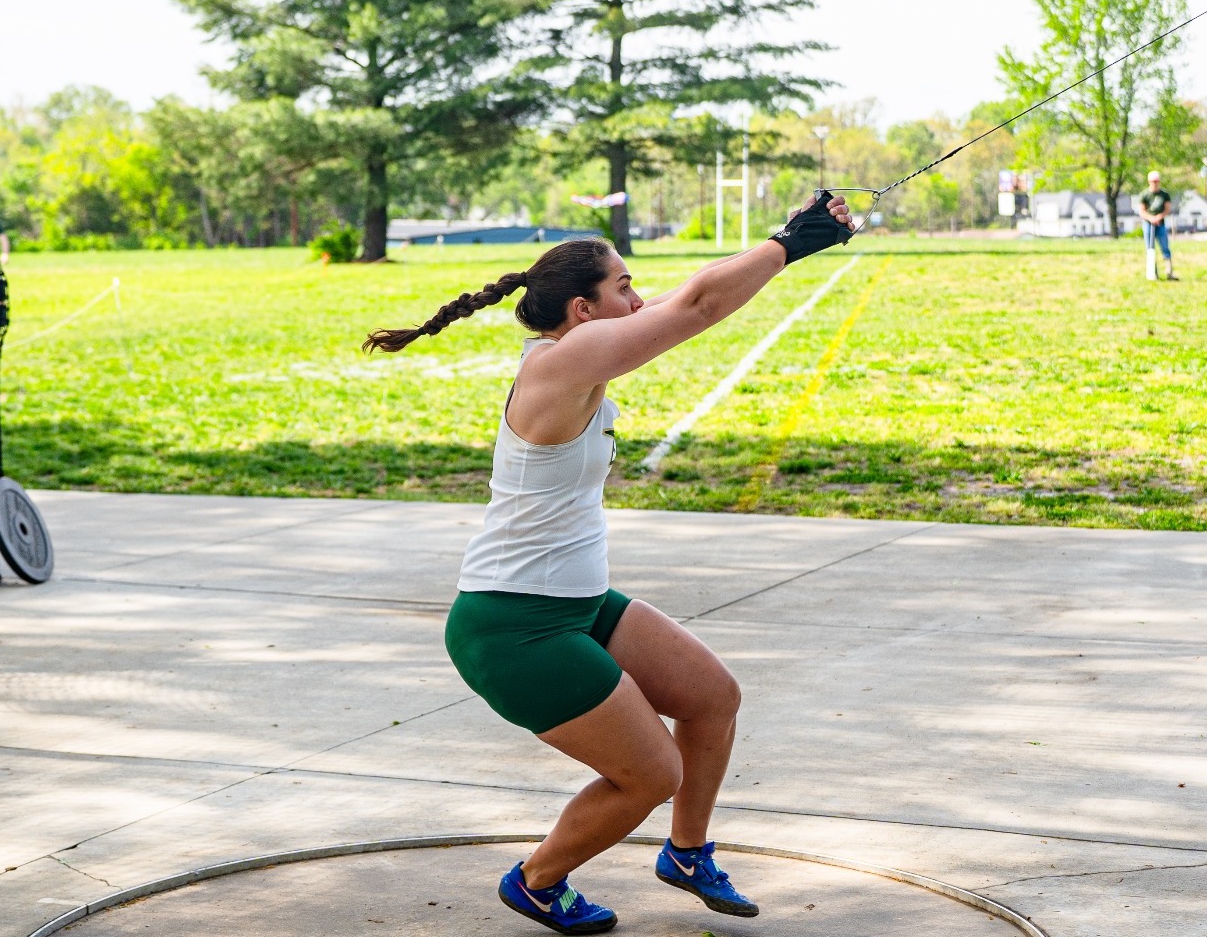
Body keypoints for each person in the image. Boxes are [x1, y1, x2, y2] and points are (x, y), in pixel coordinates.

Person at [364, 194, 860, 935]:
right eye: (623, 285)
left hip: (574, 602)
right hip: (511, 625)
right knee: (653, 771)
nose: (638, 296)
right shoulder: (567, 363)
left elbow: (685, 297)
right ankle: (537, 879)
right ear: (581, 310)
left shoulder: (583, 344)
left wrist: (785, 243)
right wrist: (790, 242)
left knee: (711, 696)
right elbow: (693, 306)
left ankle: (687, 853)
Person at [1134, 170, 1177, 281]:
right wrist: (1151, 218)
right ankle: (1153, 273)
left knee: (1165, 248)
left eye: (1157, 181)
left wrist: (1159, 217)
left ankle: (1169, 272)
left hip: (1160, 225)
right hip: (1148, 225)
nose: (1155, 183)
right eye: (1153, 181)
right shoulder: (1144, 195)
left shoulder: (1164, 195)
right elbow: (1142, 211)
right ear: (1149, 181)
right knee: (1150, 248)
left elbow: (1167, 209)